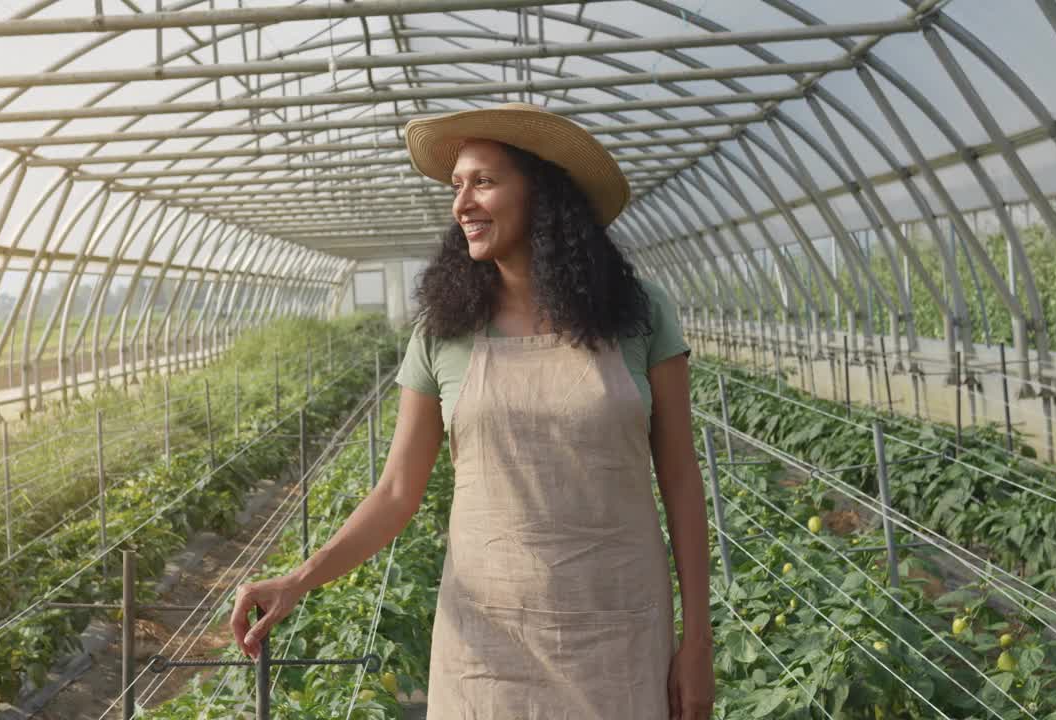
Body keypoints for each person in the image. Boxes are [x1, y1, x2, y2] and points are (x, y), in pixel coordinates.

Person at [230, 102, 715, 719]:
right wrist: (298, 579)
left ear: (543, 194)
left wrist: (696, 640)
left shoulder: (640, 313)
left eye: (483, 181)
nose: (462, 203)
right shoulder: (444, 333)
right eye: (457, 185)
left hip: (619, 632)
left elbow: (680, 479)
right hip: (489, 645)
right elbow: (399, 491)